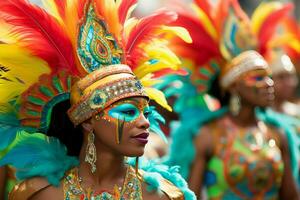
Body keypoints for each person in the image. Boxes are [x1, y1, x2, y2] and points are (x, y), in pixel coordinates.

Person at [0, 0, 195, 199]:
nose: (145, 123)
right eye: (128, 112)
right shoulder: (39, 195)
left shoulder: (162, 195)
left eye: (145, 113)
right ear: (88, 120)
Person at [163, 0, 300, 199]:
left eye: (269, 76)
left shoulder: (278, 133)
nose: (269, 83)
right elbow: (190, 195)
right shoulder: (208, 135)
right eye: (258, 77)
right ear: (234, 86)